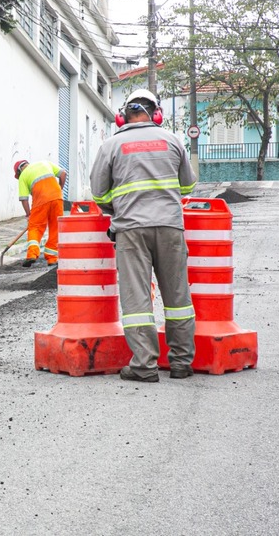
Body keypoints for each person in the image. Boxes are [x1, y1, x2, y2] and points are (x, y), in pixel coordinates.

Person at [89, 88, 197, 382]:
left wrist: (118, 206)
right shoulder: (173, 141)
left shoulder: (111, 145)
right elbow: (188, 187)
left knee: (137, 300)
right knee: (178, 298)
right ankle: (181, 363)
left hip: (131, 230)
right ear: (157, 113)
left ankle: (145, 366)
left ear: (122, 116)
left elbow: (99, 192)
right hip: (170, 227)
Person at [13, 159, 67, 267]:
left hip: (40, 201)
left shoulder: (23, 176)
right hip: (57, 198)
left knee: (35, 227)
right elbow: (63, 174)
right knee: (55, 227)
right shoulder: (45, 162)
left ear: (19, 172)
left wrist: (29, 215)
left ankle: (32, 255)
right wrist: (59, 188)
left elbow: (24, 199)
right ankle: (52, 259)